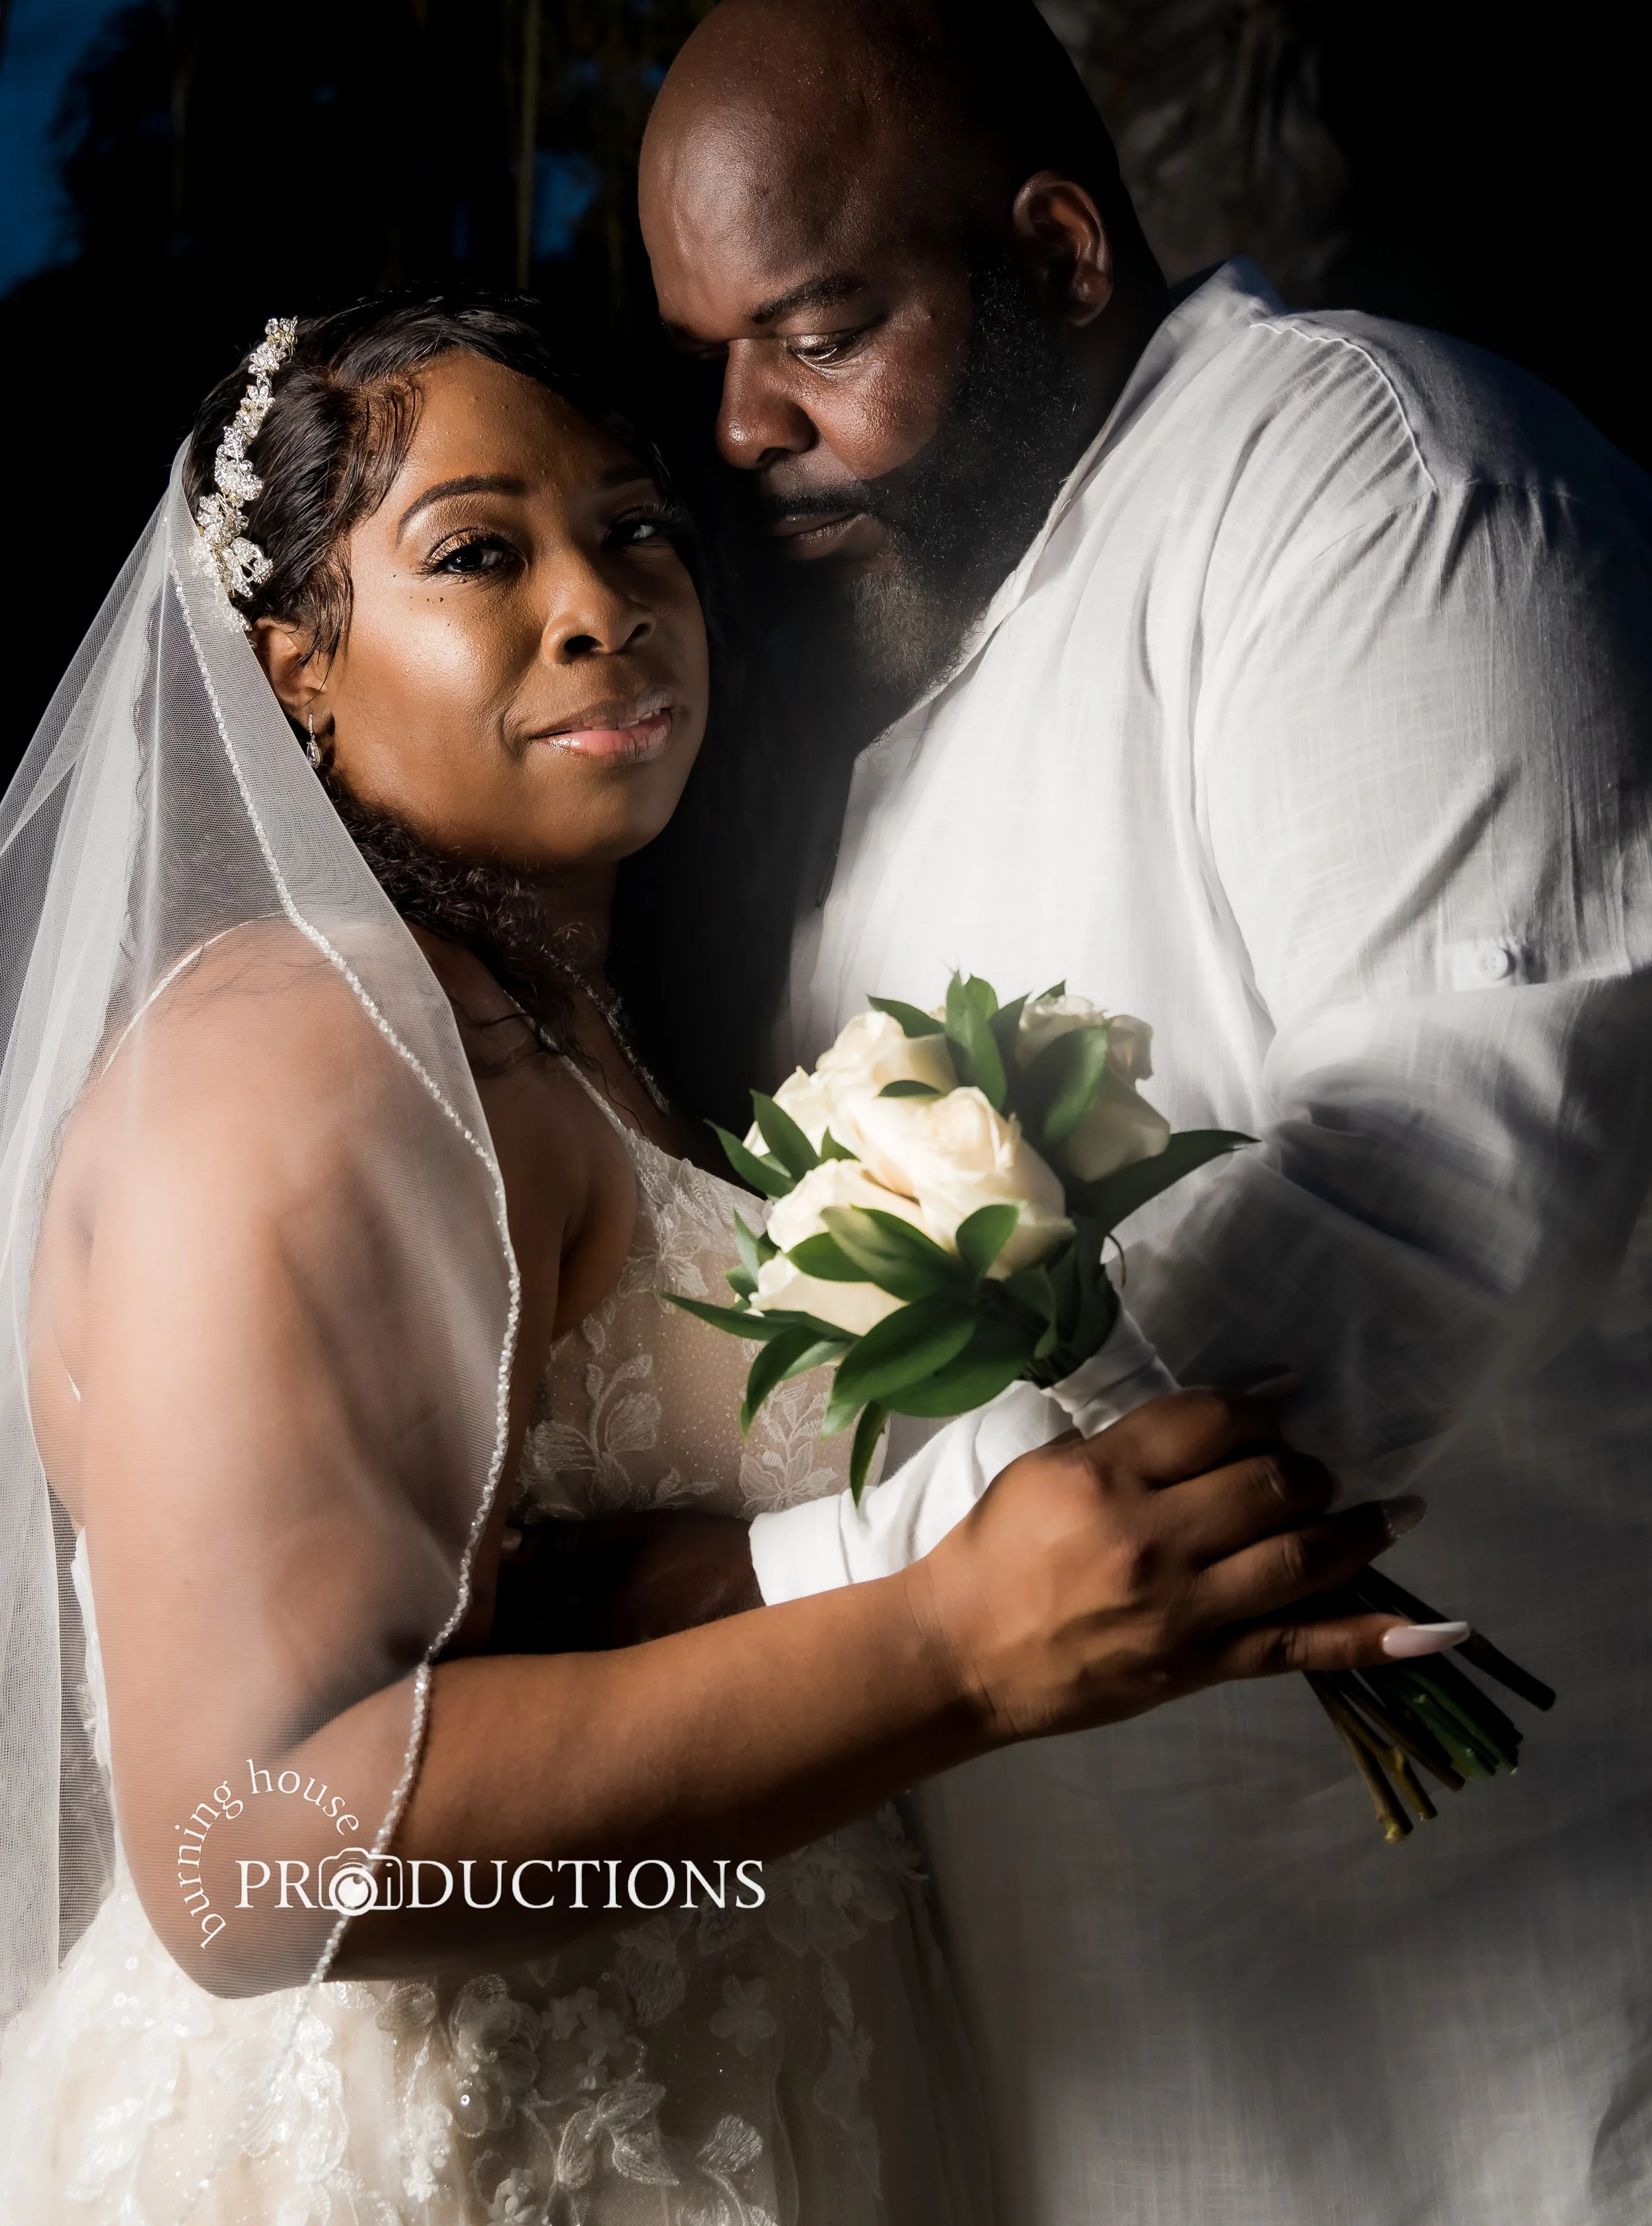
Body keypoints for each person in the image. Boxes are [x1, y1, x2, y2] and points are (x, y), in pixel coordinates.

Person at [0, 295, 1433, 2225]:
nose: (601, 601)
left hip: (746, 2093)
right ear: (297, 671)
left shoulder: (575, 1028)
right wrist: (949, 1647)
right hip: (440, 2154)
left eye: (640, 524)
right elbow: (256, 1857)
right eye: (480, 550)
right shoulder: (287, 1053)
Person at [636, 0, 1652, 2224]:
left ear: (1057, 249)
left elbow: (1433, 1198)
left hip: (1508, 2056)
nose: (740, 433)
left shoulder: (1366, 483)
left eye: (812, 334)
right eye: (710, 360)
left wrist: (776, 1603)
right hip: (1118, 2070)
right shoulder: (925, 689)